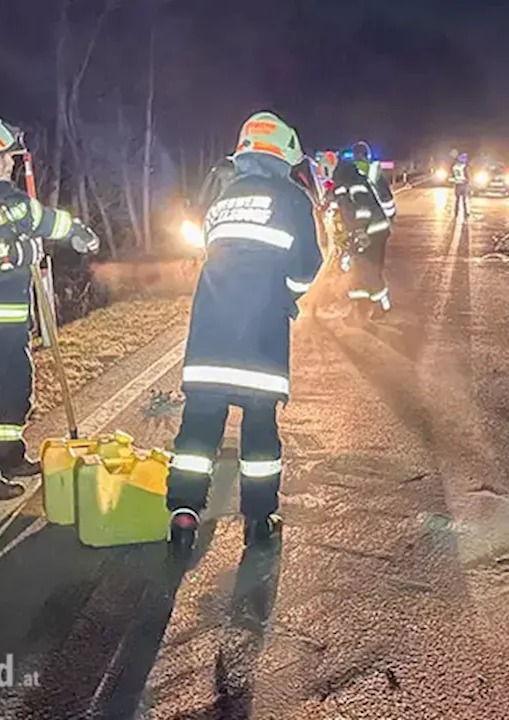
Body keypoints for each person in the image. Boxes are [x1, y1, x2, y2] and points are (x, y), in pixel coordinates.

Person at [166, 111, 322, 557]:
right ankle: (258, 520)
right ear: (284, 152)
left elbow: (212, 254)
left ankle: (183, 514)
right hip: (261, 340)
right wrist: (285, 297)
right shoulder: (292, 199)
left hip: (209, 336)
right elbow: (308, 266)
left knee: (197, 431)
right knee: (259, 433)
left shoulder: (222, 197)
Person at [0, 114, 101, 501]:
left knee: (15, 388)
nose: (11, 162)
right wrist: (17, 253)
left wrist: (74, 230)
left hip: (7, 319)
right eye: (3, 156)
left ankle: (8, 454)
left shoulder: (4, 195)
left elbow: (40, 218)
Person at [330, 141, 395, 322]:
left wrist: (359, 231)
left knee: (369, 270)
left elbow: (363, 208)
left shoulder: (352, 183)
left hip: (373, 230)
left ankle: (383, 305)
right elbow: (341, 205)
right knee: (356, 270)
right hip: (366, 229)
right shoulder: (345, 184)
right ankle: (357, 310)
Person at [451, 152, 470, 217]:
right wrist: (468, 181)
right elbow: (467, 175)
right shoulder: (464, 167)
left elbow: (452, 176)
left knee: (457, 199)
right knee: (464, 200)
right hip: (463, 184)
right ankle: (465, 213)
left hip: (457, 184)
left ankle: (456, 212)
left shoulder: (455, 166)